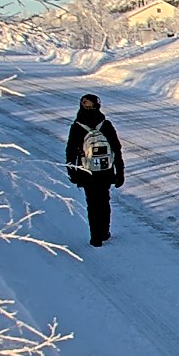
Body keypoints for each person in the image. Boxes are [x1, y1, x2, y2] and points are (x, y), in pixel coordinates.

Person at [66, 94, 125, 247]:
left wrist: (72, 171)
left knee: (92, 204)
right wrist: (120, 173)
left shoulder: (77, 126)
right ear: (98, 106)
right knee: (104, 202)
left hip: (86, 171)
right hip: (105, 171)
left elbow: (70, 151)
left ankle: (95, 237)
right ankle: (104, 232)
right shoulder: (106, 125)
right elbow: (116, 150)